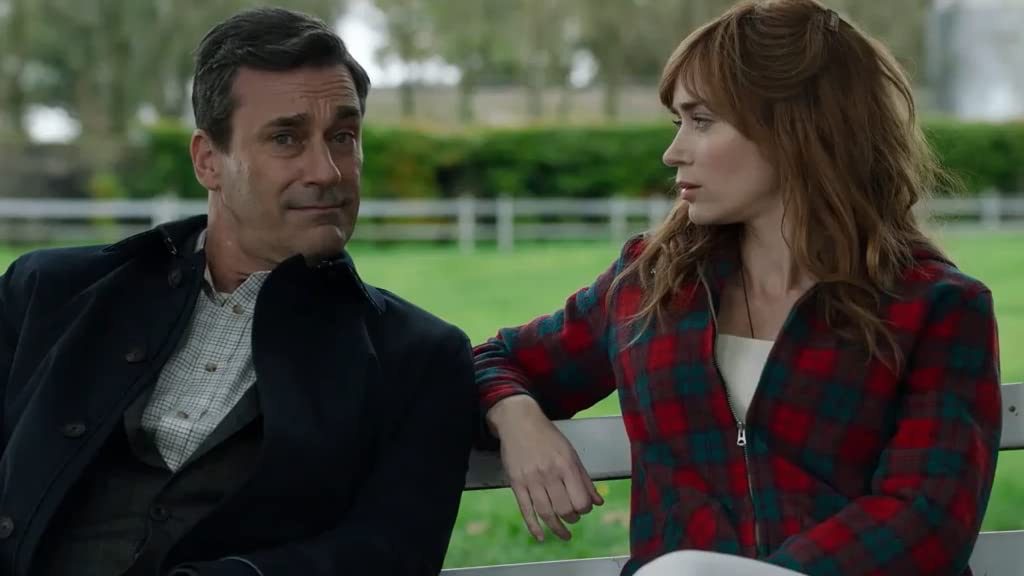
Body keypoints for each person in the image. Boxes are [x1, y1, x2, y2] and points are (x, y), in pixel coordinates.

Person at [474, 1, 1002, 575]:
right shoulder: (651, 283)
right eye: (678, 123)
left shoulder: (937, 307)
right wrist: (514, 414)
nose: (673, 152)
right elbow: (493, 361)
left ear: (797, 128)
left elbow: (926, 517)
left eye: (701, 121)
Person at [0, 7, 477, 576]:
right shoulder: (47, 294)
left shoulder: (418, 358)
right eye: (286, 138)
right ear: (208, 161)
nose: (327, 171)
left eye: (343, 137)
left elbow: (391, 553)